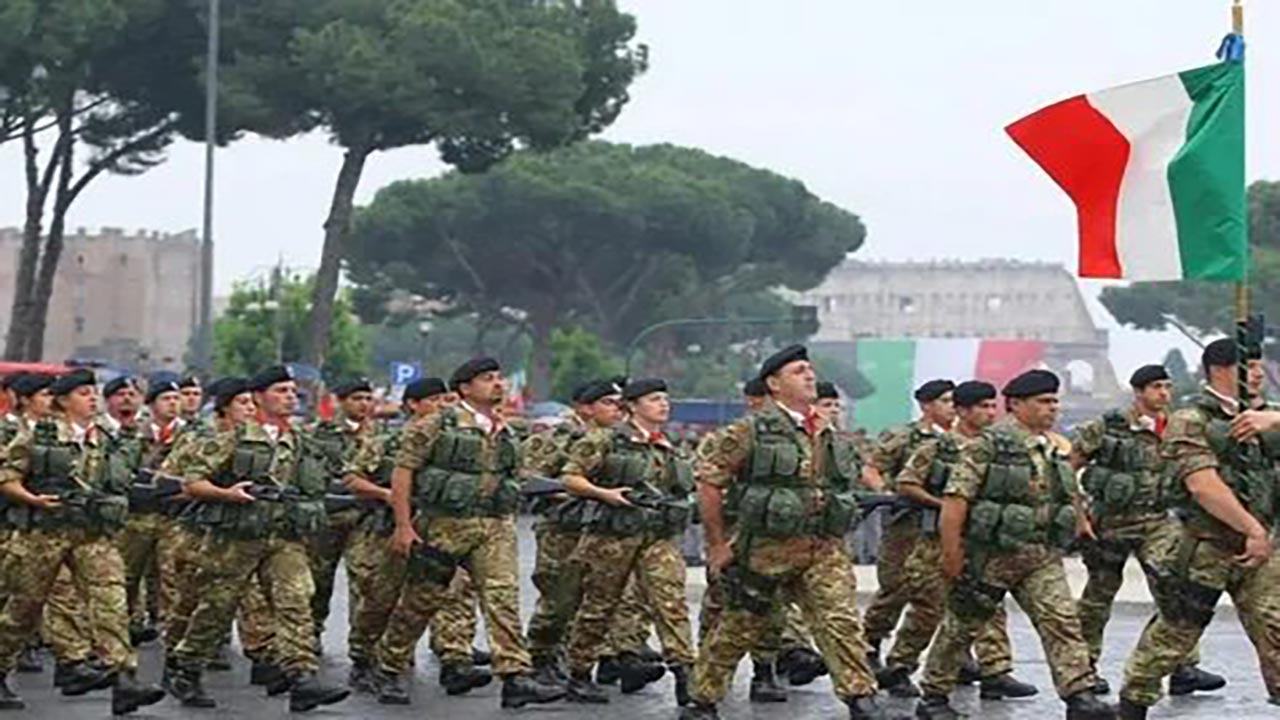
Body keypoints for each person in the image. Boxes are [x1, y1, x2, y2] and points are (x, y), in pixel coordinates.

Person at [686, 345, 887, 720]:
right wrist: (715, 545)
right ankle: (702, 699)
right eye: (798, 371)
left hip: (822, 547)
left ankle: (862, 699)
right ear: (774, 384)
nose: (809, 376)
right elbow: (710, 482)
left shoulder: (827, 431)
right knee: (738, 626)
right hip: (767, 548)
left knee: (839, 621)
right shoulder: (751, 430)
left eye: (809, 370)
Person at [914, 369, 1114, 720]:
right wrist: (951, 555)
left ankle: (1079, 695)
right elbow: (955, 502)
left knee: (1061, 620)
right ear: (1016, 405)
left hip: (1039, 555)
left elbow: (1066, 494)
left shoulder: (1051, 447)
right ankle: (933, 697)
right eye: (1044, 402)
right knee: (962, 627)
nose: (1053, 408)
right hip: (989, 557)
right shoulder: (987, 446)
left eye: (1054, 401)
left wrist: (1081, 525)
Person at [371, 358, 565, 709]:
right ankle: (389, 667)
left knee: (502, 599)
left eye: (499, 378)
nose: (498, 384)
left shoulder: (505, 428)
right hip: (445, 524)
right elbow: (404, 473)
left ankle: (515, 676)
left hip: (494, 526)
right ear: (464, 387)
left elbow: (514, 475)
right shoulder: (435, 425)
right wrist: (404, 526)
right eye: (488, 379)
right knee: (421, 601)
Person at [166, 365, 349, 712]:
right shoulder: (233, 439)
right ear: (259, 397)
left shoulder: (300, 442)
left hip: (283, 538)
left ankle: (301, 679)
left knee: (296, 600)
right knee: (216, 608)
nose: (291, 396)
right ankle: (187, 667)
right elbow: (192, 483)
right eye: (281, 390)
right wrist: (227, 494)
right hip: (236, 538)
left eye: (293, 391)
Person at [1118, 339, 1280, 717]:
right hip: (1205, 547)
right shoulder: (1191, 420)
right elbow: (1203, 485)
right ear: (1222, 370)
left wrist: (1273, 420)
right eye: (1251, 365)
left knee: (1275, 627)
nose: (1259, 373)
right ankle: (1132, 704)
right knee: (1175, 635)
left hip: (1263, 553)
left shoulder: (1267, 418)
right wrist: (1253, 530)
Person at [0, 369, 166, 714]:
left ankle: (124, 680)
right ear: (63, 400)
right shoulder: (37, 436)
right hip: (42, 535)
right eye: (83, 393)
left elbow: (121, 479)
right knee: (23, 610)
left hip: (92, 534)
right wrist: (32, 499)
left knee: (111, 601)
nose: (92, 398)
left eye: (94, 393)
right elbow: (7, 477)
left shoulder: (105, 437)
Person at [1070, 364, 1224, 697]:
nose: (1164, 394)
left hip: (1157, 522)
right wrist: (1079, 516)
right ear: (1138, 391)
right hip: (1109, 523)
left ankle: (1182, 666)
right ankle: (1084, 671)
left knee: (1174, 590)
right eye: (1156, 387)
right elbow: (1067, 467)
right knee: (1098, 599)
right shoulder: (1108, 427)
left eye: (1167, 387)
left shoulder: (1177, 427)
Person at [887, 381, 1035, 702]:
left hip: (980, 545)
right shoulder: (938, 448)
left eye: (992, 406)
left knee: (988, 608)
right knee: (927, 611)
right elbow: (906, 483)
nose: (990, 412)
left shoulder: (999, 449)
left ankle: (996, 672)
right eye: (982, 407)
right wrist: (943, 505)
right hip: (935, 545)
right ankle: (899, 667)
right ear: (962, 411)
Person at [343, 377, 490, 701]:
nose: (442, 406)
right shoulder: (389, 441)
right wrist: (389, 494)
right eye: (435, 400)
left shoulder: (456, 442)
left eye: (446, 400)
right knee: (381, 598)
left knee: (451, 592)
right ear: (413, 405)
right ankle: (364, 658)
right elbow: (352, 477)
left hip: (440, 531)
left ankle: (455, 660)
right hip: (388, 531)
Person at [559, 378, 697, 705]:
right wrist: (603, 493)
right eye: (653, 399)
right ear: (632, 406)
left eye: (665, 398)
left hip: (657, 538)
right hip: (612, 537)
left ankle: (685, 675)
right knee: (598, 608)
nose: (663, 404)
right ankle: (579, 673)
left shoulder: (670, 444)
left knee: (671, 604)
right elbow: (570, 477)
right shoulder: (605, 440)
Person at [523, 378, 651, 687]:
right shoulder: (557, 439)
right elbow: (528, 478)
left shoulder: (622, 440)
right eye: (609, 403)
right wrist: (580, 492)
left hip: (606, 531)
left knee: (610, 598)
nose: (617, 410)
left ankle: (613, 657)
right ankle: (541, 656)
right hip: (564, 530)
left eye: (620, 404)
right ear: (585, 408)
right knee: (560, 601)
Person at [863, 379, 957, 694]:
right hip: (907, 525)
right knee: (896, 589)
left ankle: (948, 658)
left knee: (942, 594)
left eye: (954, 401)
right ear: (927, 405)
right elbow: (872, 468)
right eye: (945, 401)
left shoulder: (961, 439)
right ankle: (870, 644)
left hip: (944, 527)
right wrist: (886, 493)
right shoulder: (904, 436)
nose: (952, 407)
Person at [306, 377, 376, 646]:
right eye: (357, 399)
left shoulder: (379, 434)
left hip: (364, 518)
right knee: (319, 579)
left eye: (368, 399)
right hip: (328, 517)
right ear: (341, 401)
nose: (364, 405)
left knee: (365, 580)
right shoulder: (317, 433)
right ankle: (311, 632)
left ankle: (363, 643)